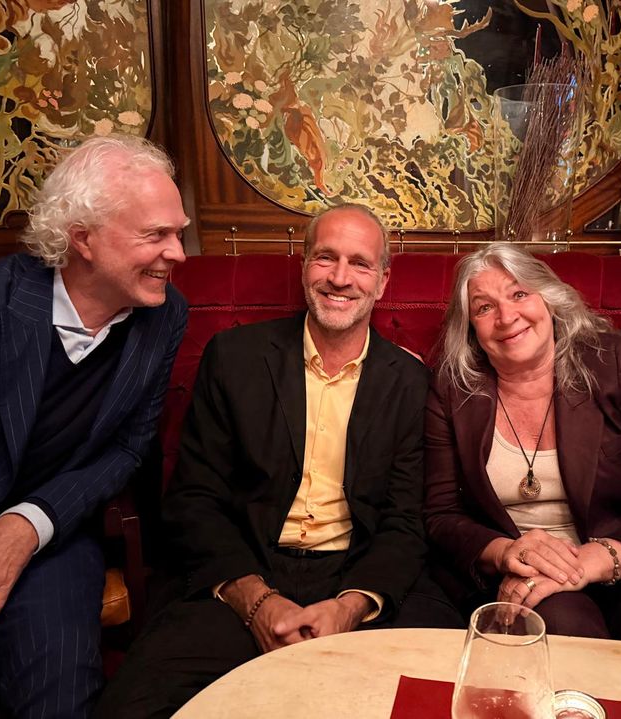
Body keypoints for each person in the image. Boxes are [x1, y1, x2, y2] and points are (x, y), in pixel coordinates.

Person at [96, 204, 460, 718]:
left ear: (382, 281)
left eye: (360, 263)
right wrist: (256, 601)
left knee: (454, 692)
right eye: (326, 258)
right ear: (304, 265)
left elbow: (406, 521)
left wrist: (351, 607)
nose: (340, 278)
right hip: (245, 569)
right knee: (130, 708)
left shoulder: (410, 381)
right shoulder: (234, 357)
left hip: (360, 572)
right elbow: (194, 499)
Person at [0, 134, 188, 717]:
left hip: (47, 537)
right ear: (83, 238)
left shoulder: (164, 313)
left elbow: (128, 448)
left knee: (62, 698)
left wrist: (26, 525)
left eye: (179, 232)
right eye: (156, 235)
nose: (178, 253)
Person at [424, 243, 621, 652]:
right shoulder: (453, 389)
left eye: (519, 294)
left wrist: (590, 560)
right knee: (560, 627)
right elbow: (442, 515)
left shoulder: (616, 364)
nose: (506, 316)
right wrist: (506, 552)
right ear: (471, 329)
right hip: (524, 575)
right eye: (484, 308)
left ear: (549, 300)